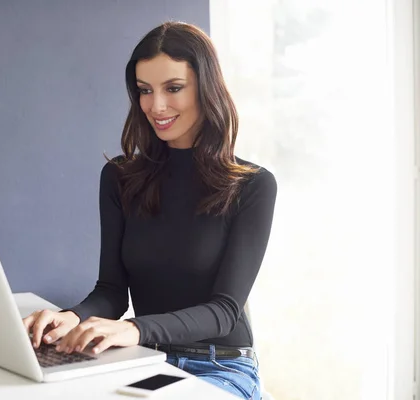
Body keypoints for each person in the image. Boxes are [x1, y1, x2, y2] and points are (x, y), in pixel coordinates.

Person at [23, 21, 277, 400]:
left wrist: (135, 329)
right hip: (140, 358)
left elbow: (224, 310)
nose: (155, 106)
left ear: (206, 88)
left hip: (220, 365)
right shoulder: (120, 177)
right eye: (144, 91)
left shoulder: (252, 185)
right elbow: (111, 291)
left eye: (173, 88)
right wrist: (73, 316)